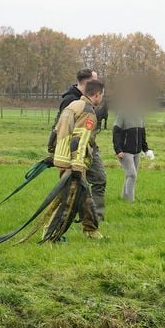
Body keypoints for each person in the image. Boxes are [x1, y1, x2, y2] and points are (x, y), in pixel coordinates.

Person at [49, 68, 108, 221]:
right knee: (73, 191)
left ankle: (92, 220)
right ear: (88, 84)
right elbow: (66, 131)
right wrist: (74, 161)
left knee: (89, 184)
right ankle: (61, 224)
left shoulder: (83, 102)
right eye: (94, 80)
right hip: (76, 153)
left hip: (84, 149)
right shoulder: (73, 101)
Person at [113, 99, 153, 202]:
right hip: (125, 151)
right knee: (132, 175)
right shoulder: (122, 114)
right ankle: (131, 201)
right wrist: (118, 150)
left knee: (130, 176)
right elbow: (116, 133)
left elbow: (142, 135)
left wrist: (146, 149)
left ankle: (123, 198)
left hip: (137, 152)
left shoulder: (139, 116)